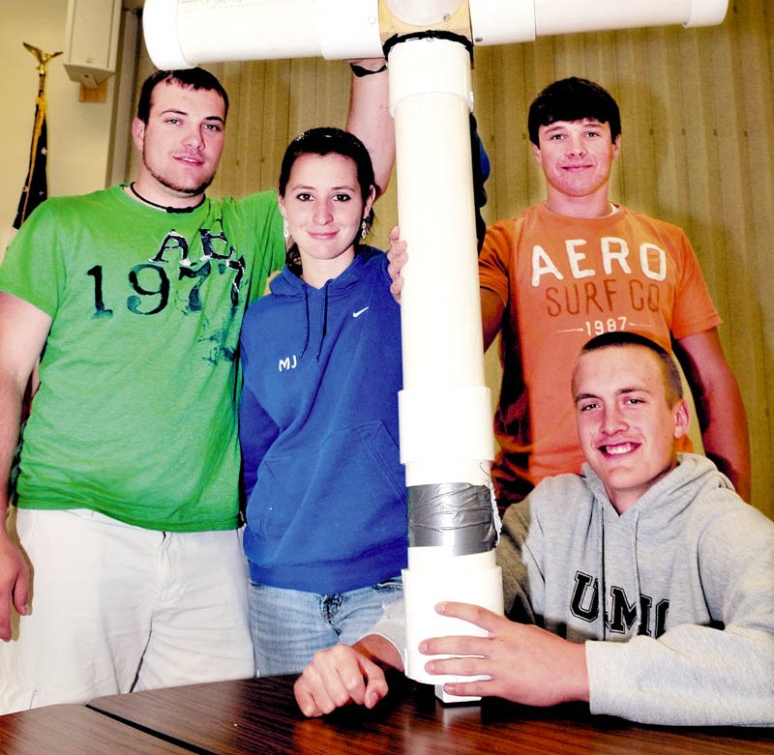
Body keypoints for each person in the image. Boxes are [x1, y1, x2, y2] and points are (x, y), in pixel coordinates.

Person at [0, 59, 393, 713]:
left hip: (212, 542)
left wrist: (369, 66)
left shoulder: (248, 227)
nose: (194, 139)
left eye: (212, 125)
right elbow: (6, 373)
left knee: (209, 730)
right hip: (78, 525)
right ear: (138, 128)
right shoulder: (63, 225)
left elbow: (353, 174)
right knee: (54, 730)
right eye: (176, 120)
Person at [292, 332, 774, 728]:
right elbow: (460, 604)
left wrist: (575, 670)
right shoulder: (551, 511)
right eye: (590, 405)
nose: (610, 423)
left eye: (633, 399)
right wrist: (362, 658)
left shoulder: (722, 526)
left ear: (678, 417)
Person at [392, 76, 749, 508]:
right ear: (537, 153)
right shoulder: (506, 242)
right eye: (558, 135)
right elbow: (465, 335)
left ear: (616, 144)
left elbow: (711, 379)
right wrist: (430, 279)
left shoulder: (666, 241)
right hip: (541, 495)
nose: (576, 149)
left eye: (591, 133)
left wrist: (735, 502)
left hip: (662, 490)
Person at [239, 127, 405, 675]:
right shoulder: (261, 319)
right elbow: (257, 450)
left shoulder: (401, 287)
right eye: (305, 197)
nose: (323, 215)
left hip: (382, 581)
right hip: (280, 585)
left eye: (342, 196)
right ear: (283, 203)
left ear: (368, 202)